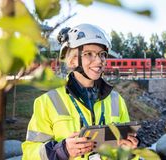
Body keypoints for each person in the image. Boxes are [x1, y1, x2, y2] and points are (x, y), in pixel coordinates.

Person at [22, 24, 139, 160]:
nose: (99, 60)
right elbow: (29, 154)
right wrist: (62, 150)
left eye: (102, 54)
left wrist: (129, 152)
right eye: (89, 54)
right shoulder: (47, 102)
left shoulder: (116, 100)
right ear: (72, 61)